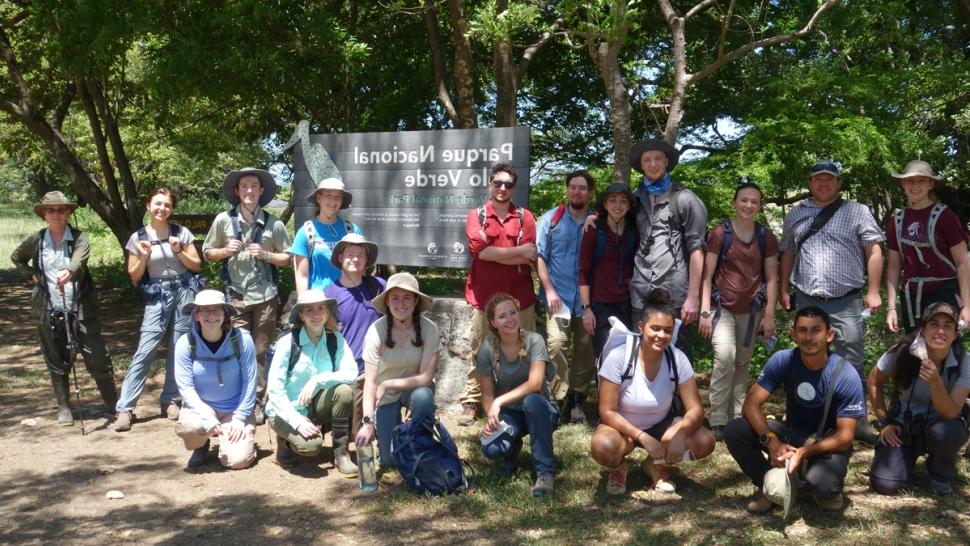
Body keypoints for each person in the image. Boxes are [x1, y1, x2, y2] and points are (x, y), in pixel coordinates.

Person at [778, 159, 884, 444]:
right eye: (817, 179)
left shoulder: (857, 211)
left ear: (838, 183)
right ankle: (804, 415)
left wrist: (874, 290)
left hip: (846, 301)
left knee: (851, 360)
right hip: (807, 298)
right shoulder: (796, 214)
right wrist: (783, 288)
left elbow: (874, 251)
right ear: (810, 183)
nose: (823, 184)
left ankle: (857, 421)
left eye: (829, 179)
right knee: (806, 358)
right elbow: (787, 252)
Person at [724, 307, 865, 513]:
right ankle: (770, 488)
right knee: (735, 430)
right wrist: (772, 441)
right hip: (790, 434)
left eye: (816, 330)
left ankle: (814, 483)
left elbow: (845, 436)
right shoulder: (783, 360)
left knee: (825, 486)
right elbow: (751, 404)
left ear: (829, 335)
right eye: (802, 330)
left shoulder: (845, 374)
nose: (808, 337)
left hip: (826, 443)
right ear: (793, 334)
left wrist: (806, 452)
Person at [590, 289, 715, 496]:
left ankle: (656, 463)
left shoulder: (677, 359)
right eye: (655, 329)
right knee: (603, 446)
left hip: (662, 426)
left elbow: (695, 410)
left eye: (667, 330)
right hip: (622, 426)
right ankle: (618, 467)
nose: (661, 336)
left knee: (705, 441)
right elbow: (607, 411)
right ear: (641, 327)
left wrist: (681, 434)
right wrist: (642, 437)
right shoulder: (619, 356)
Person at [11, 191, 117, 425]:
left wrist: (68, 271)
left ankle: (113, 405)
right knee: (55, 358)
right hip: (48, 309)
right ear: (44, 214)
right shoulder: (37, 240)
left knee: (96, 353)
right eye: (51, 210)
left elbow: (79, 260)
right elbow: (17, 257)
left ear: (68, 212)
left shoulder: (80, 238)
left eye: (61, 210)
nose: (56, 214)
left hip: (80, 307)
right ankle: (64, 408)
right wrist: (29, 275)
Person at [203, 167, 291, 423]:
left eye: (254, 186)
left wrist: (266, 255)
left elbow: (287, 257)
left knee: (261, 350)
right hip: (235, 297)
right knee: (238, 349)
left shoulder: (273, 224)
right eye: (244, 186)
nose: (249, 190)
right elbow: (208, 251)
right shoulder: (223, 220)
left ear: (261, 191)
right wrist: (224, 251)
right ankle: (239, 398)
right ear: (237, 191)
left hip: (265, 296)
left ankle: (259, 402)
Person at [115, 188, 203, 432]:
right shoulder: (138, 236)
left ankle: (170, 400)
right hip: (157, 294)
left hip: (184, 290)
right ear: (148, 206)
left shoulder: (181, 233)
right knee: (146, 348)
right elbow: (134, 275)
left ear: (171, 209)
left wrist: (178, 250)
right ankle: (125, 407)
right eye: (157, 204)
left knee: (179, 347)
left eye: (166, 205)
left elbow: (196, 265)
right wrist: (143, 256)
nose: (162, 208)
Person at [458, 163, 538, 426]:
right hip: (484, 296)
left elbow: (530, 257)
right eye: (498, 183)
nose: (502, 188)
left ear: (514, 188)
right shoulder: (476, 216)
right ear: (490, 184)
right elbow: (481, 252)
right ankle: (472, 399)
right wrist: (514, 253)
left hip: (519, 297)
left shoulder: (525, 217)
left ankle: (523, 400)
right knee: (479, 348)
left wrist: (494, 253)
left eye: (508, 184)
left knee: (523, 349)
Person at [698, 182, 779, 441]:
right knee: (725, 358)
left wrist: (769, 315)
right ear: (734, 202)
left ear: (760, 205)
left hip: (752, 309)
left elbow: (772, 278)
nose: (748, 205)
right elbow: (707, 275)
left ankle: (736, 417)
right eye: (743, 200)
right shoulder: (721, 233)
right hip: (723, 308)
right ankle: (718, 418)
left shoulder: (766, 237)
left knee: (742, 363)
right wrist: (704, 310)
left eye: (754, 201)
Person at [868, 302, 970, 495]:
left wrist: (935, 383)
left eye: (947, 326)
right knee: (886, 484)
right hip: (903, 425)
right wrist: (884, 422)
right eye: (934, 324)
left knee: (948, 431)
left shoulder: (964, 361)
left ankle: (940, 473)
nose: (940, 331)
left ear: (955, 334)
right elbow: (874, 381)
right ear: (922, 330)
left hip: (941, 423)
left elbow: (949, 412)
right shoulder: (903, 351)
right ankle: (903, 458)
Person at [627, 139, 708, 360]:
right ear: (641, 165)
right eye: (647, 160)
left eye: (658, 159)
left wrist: (693, 297)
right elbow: (612, 221)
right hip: (640, 288)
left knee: (677, 354)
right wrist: (593, 219)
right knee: (640, 351)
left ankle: (679, 395)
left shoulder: (686, 199)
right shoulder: (633, 199)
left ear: (666, 162)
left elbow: (697, 250)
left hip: (674, 289)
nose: (653, 164)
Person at [265, 290, 359, 477]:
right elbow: (274, 390)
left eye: (321, 308)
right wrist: (297, 422)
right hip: (286, 410)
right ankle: (284, 442)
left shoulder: (335, 339)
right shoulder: (287, 343)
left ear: (327, 311)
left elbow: (351, 373)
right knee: (311, 447)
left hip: (317, 404)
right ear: (301, 314)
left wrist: (317, 380)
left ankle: (341, 454)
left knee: (344, 392)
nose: (316, 315)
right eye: (309, 310)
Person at [355, 273, 440, 474]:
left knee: (423, 397)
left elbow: (425, 378)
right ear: (387, 302)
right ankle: (390, 442)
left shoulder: (429, 329)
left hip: (414, 389)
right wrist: (367, 423)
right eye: (395, 298)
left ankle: (421, 441)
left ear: (416, 300)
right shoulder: (376, 331)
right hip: (384, 397)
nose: (401, 304)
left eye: (407, 297)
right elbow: (370, 383)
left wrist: (388, 384)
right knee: (389, 460)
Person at [477, 293, 561, 497]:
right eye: (502, 316)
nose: (510, 319)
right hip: (511, 414)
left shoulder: (535, 341)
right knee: (492, 449)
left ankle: (545, 472)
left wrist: (499, 401)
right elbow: (487, 395)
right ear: (493, 322)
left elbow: (535, 383)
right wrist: (491, 418)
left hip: (541, 409)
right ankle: (511, 449)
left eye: (513, 312)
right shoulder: (485, 350)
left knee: (532, 401)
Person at [173, 290, 257, 470]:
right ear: (196, 315)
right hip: (201, 408)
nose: (211, 316)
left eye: (217, 310)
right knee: (190, 427)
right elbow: (185, 388)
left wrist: (240, 418)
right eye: (205, 311)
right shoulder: (185, 344)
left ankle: (234, 437)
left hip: (234, 409)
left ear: (225, 315)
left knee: (238, 461)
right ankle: (201, 445)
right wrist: (207, 417)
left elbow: (250, 382)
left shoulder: (242, 339)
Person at [536, 170, 595, 423]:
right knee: (557, 345)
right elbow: (540, 257)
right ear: (567, 189)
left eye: (582, 188)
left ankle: (578, 399)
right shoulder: (551, 219)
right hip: (557, 297)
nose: (577, 192)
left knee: (586, 349)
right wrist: (548, 290)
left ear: (590, 192)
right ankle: (560, 399)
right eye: (573, 187)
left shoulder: (597, 222)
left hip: (586, 301)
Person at [884, 160, 970, 332]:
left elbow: (962, 262)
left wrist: (967, 306)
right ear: (903, 183)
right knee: (915, 351)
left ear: (931, 184)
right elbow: (894, 267)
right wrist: (891, 308)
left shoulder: (945, 216)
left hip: (944, 292)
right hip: (912, 296)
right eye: (910, 180)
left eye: (921, 180)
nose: (915, 186)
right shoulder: (897, 221)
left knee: (944, 347)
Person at [324, 233, 385, 436]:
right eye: (350, 254)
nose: (355, 259)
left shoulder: (378, 286)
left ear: (367, 260)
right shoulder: (329, 295)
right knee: (356, 435)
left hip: (381, 368)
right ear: (340, 257)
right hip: (351, 372)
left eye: (361, 254)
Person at [579, 183, 639, 357]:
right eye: (612, 201)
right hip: (600, 305)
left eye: (623, 201)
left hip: (628, 304)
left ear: (629, 205)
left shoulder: (634, 230)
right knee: (605, 356)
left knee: (627, 356)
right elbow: (583, 271)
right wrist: (587, 310)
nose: (617, 206)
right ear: (605, 204)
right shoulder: (594, 229)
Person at [292, 177, 362, 294]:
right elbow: (302, 276)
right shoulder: (306, 232)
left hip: (348, 299)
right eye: (328, 195)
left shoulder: (353, 231)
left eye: (338, 197)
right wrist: (304, 304)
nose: (333, 202)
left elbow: (360, 271)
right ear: (319, 198)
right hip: (319, 302)